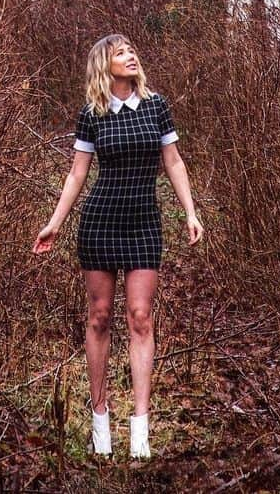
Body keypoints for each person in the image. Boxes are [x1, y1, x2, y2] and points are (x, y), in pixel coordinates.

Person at [32, 32, 204, 460]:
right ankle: (100, 422)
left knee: (141, 318)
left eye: (132, 51)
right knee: (100, 318)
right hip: (100, 223)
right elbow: (77, 175)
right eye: (120, 53)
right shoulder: (92, 114)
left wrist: (190, 212)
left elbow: (174, 162)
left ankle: (140, 433)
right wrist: (54, 224)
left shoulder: (156, 106)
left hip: (144, 223)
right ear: (103, 65)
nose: (130, 57)